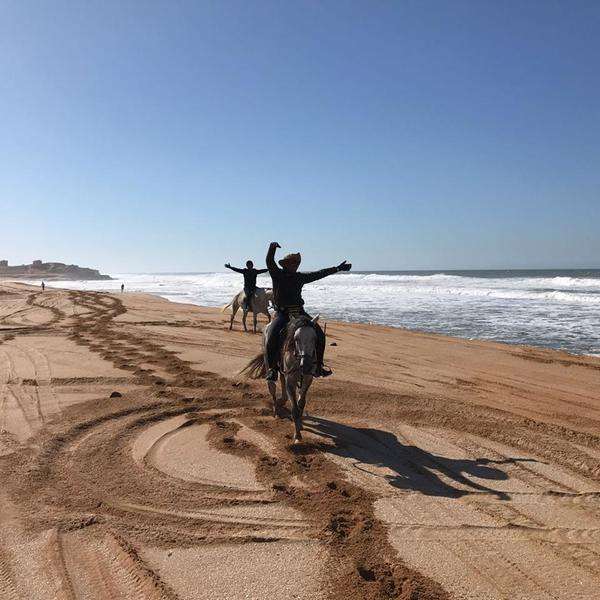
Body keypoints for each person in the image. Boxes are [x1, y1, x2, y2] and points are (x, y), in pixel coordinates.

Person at [264, 241, 351, 381]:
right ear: (286, 264)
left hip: (299, 313)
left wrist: (338, 268)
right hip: (283, 313)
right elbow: (269, 261)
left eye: (297, 263)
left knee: (319, 334)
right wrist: (272, 248)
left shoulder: (300, 277)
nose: (296, 265)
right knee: (272, 335)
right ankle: (272, 369)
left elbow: (319, 274)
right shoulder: (277, 274)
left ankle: (318, 367)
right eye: (293, 263)